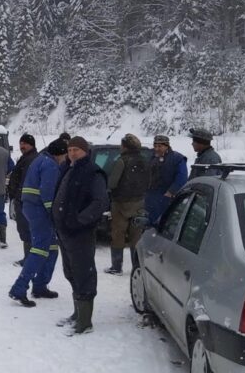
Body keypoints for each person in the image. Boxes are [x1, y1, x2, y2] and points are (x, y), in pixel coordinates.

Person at [53, 137, 109, 336]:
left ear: (85, 151)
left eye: (76, 149)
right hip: (65, 231)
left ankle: (85, 322)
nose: (72, 153)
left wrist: (79, 220)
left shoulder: (93, 173)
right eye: (70, 150)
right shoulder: (69, 169)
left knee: (84, 273)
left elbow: (100, 202)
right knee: (71, 272)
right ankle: (77, 313)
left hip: (80, 232)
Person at [8, 139, 68, 307]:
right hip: (39, 210)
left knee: (52, 248)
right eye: (65, 154)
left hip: (31, 206)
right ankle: (19, 288)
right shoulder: (50, 165)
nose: (65, 158)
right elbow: (48, 193)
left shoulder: (41, 159)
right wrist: (53, 213)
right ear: (59, 153)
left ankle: (40, 285)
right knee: (40, 250)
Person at [106, 134, 149, 275]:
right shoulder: (145, 160)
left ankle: (116, 267)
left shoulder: (122, 161)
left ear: (125, 146)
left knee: (118, 235)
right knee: (136, 237)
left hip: (120, 203)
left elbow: (112, 183)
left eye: (121, 144)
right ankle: (137, 267)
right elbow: (150, 181)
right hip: (139, 202)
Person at [8, 133, 40, 266]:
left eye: (25, 144)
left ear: (31, 145)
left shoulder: (31, 159)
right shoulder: (26, 158)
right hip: (22, 199)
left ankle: (30, 259)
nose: (22, 146)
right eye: (21, 144)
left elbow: (26, 180)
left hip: (25, 200)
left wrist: (19, 195)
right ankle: (29, 258)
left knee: (27, 229)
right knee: (25, 229)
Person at [145, 135, 188, 224]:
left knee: (161, 224)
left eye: (160, 146)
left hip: (165, 198)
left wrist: (171, 192)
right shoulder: (152, 157)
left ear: (166, 146)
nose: (156, 148)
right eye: (155, 146)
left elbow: (182, 177)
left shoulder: (177, 158)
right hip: (150, 198)